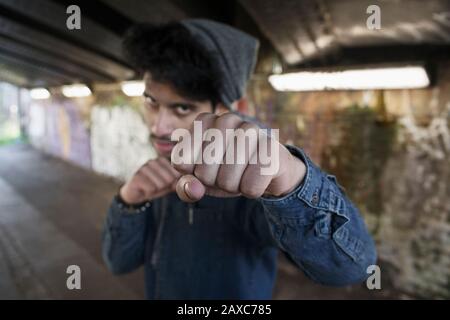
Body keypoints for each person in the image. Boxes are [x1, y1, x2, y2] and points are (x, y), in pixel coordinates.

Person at [102, 19, 377, 299]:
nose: (158, 127)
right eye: (151, 102)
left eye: (182, 108)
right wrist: (129, 202)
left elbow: (349, 268)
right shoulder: (160, 166)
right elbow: (119, 262)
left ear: (223, 109)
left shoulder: (252, 184)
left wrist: (293, 184)